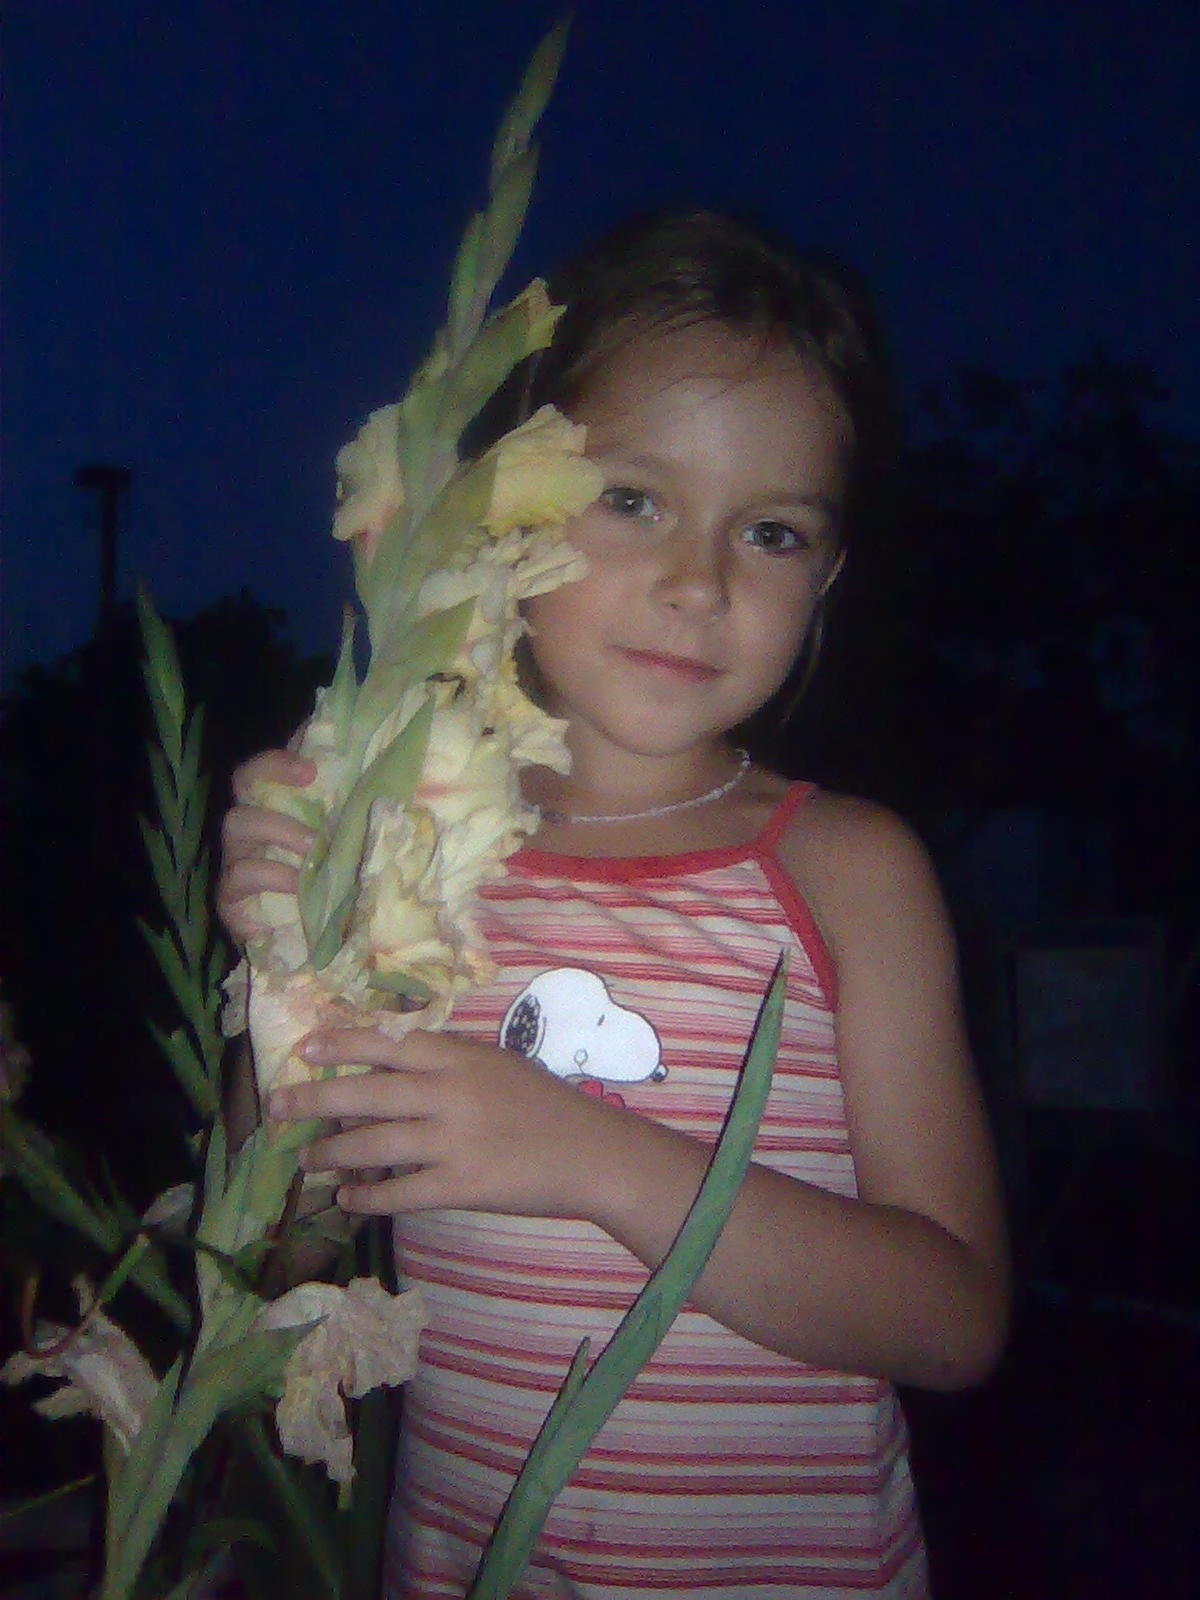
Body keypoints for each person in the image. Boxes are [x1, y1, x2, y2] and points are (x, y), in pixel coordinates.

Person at [218, 211, 1010, 1598]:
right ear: (507, 511)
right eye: (633, 500)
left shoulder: (848, 872)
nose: (699, 583)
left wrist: (595, 1158)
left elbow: (951, 1322)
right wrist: (286, 954)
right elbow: (280, 1245)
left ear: (824, 577)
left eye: (770, 532)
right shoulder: (422, 851)